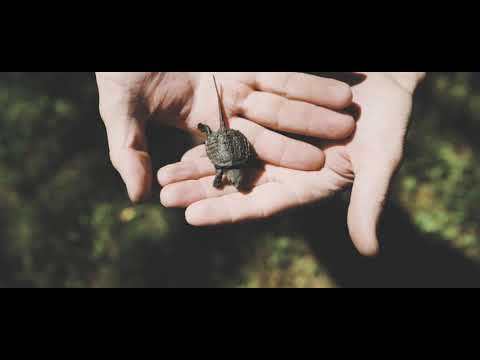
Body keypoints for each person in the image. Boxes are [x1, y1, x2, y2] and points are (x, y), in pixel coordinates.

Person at [96, 72, 425, 256]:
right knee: (217, 131)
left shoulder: (234, 168)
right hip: (226, 143)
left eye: (237, 181)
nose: (239, 182)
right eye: (237, 181)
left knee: (225, 134)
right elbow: (238, 148)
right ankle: (210, 131)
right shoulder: (235, 166)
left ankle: (316, 223)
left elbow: (237, 153)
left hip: (228, 145)